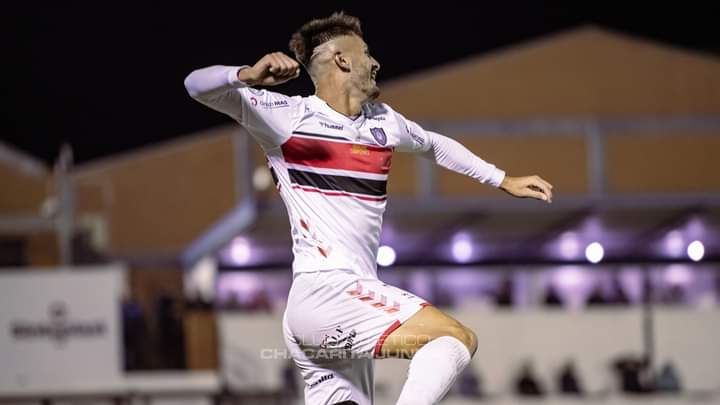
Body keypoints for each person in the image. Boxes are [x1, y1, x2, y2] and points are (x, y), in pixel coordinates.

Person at [185, 12, 553, 405]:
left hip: (333, 313)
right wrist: (245, 75)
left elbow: (434, 144)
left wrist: (501, 179)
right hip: (329, 292)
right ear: (342, 59)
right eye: (366, 52)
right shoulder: (289, 116)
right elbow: (194, 85)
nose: (375, 61)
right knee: (454, 339)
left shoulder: (383, 122)